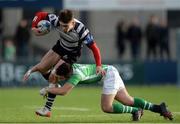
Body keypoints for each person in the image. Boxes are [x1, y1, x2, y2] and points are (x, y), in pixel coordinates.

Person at [23, 61, 173, 121]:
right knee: (128, 100)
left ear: (66, 75)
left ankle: (135, 110)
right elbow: (56, 76)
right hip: (110, 71)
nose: (59, 78)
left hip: (109, 75)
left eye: (61, 77)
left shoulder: (76, 75)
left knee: (106, 107)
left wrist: (47, 89)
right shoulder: (68, 66)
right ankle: (159, 108)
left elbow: (63, 91)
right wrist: (39, 73)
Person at [28, 9, 104, 83]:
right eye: (62, 26)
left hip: (72, 53)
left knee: (54, 74)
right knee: (42, 69)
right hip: (60, 46)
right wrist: (34, 27)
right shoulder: (56, 20)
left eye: (66, 26)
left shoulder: (81, 30)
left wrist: (98, 65)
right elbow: (40, 14)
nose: (63, 28)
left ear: (73, 23)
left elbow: (94, 48)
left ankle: (52, 91)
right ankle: (54, 87)